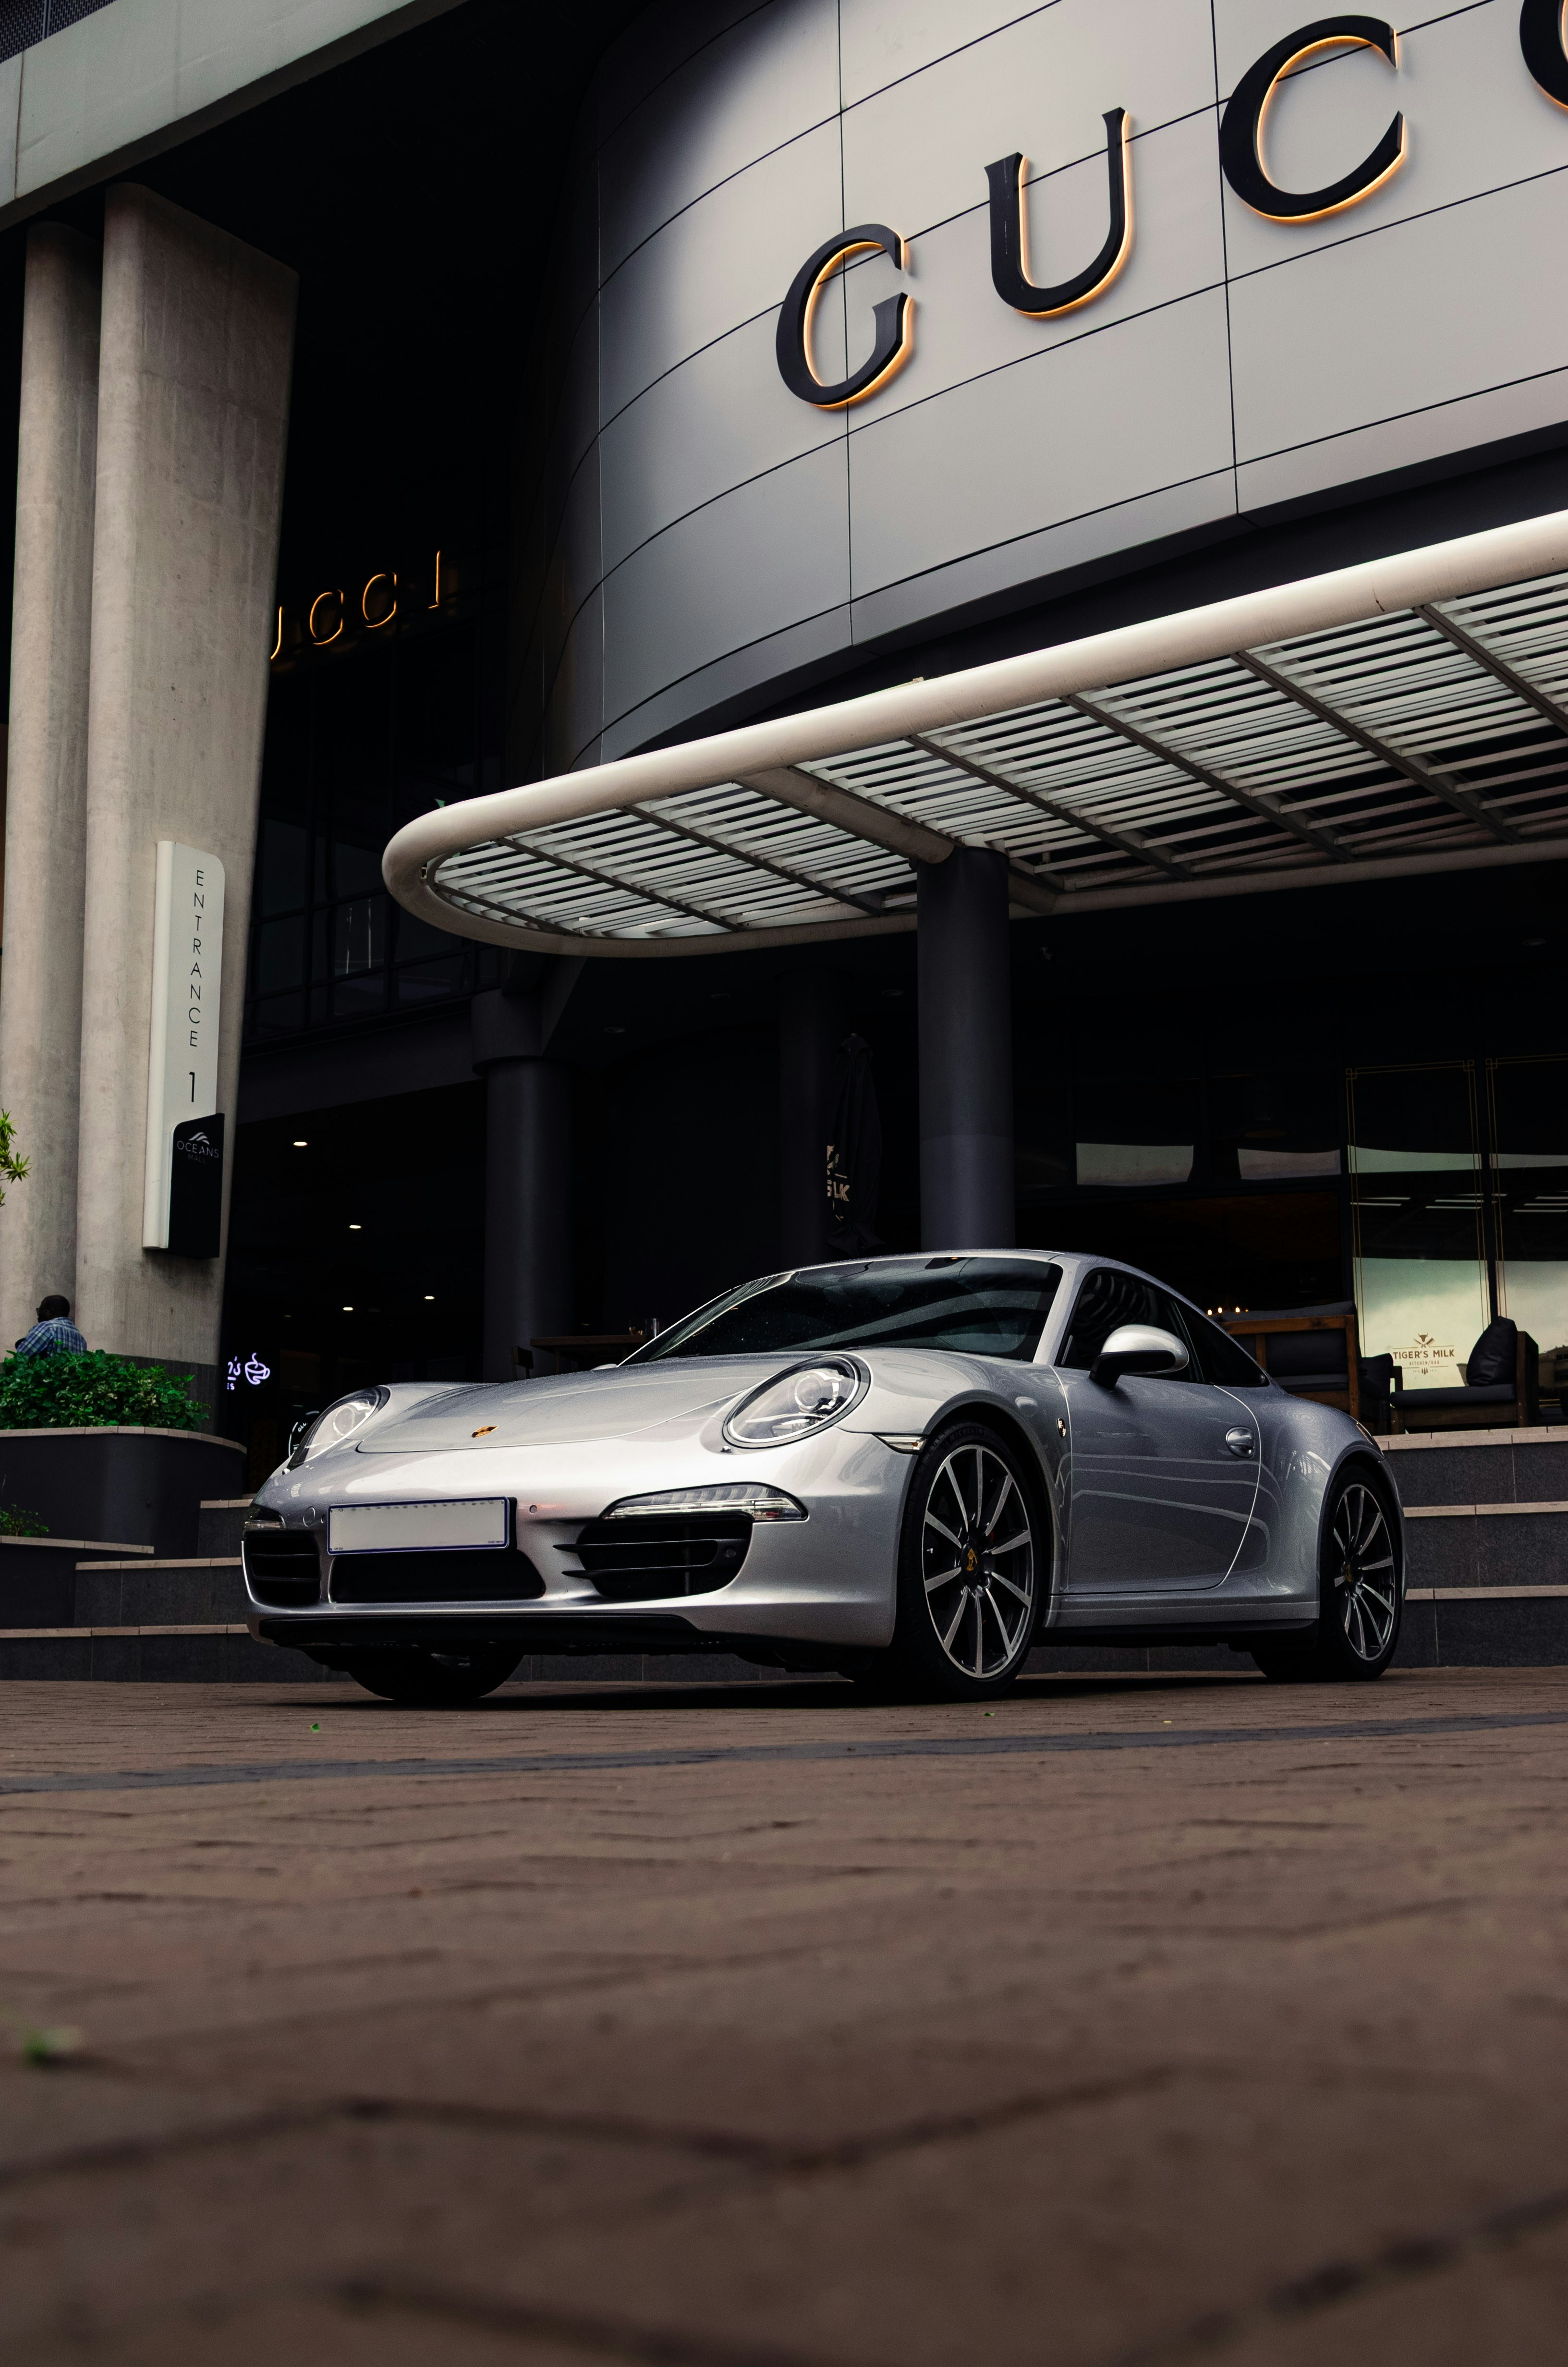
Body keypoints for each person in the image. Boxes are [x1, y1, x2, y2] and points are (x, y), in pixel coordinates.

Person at [15, 1295, 87, 1355]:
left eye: (40, 1310)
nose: (39, 1315)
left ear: (50, 1311)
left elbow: (22, 1356)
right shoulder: (81, 1338)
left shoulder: (48, 1327)